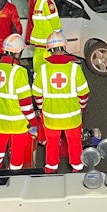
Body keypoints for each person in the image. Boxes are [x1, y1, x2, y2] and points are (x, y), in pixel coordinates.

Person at [32, 30, 90, 173]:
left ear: (49, 49)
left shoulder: (43, 69)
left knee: (51, 144)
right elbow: (83, 94)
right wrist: (81, 108)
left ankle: (51, 168)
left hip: (51, 117)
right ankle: (77, 167)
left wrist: (42, 109)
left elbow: (37, 94)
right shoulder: (75, 68)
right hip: (72, 117)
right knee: (75, 143)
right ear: (64, 47)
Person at [0, 34, 37, 172]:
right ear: (18, 52)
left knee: (0, 143)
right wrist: (33, 121)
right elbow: (25, 103)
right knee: (17, 150)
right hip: (18, 121)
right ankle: (13, 174)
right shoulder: (19, 72)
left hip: (0, 119)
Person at [26, 0, 62, 76]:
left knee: (46, 66)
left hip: (47, 41)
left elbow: (54, 19)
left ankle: (42, 81)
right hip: (40, 41)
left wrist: (56, 36)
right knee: (38, 64)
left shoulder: (45, 0)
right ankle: (38, 80)